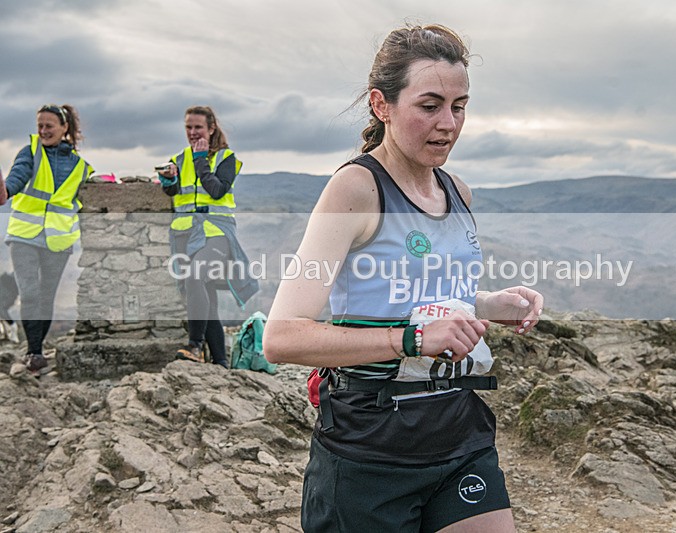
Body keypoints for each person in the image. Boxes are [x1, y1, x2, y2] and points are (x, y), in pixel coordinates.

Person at [264, 24, 544, 532]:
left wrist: (489, 304)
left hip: (458, 431)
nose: (448, 124)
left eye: (459, 106)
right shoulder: (355, 189)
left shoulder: (458, 191)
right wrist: (412, 340)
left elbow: (423, 296)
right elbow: (282, 336)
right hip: (370, 444)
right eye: (430, 105)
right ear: (382, 104)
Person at [158, 106, 258, 368]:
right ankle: (222, 362)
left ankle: (194, 345)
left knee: (195, 278)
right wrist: (168, 180)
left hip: (215, 233)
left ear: (211, 128)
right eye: (188, 127)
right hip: (184, 234)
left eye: (198, 127)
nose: (192, 132)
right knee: (205, 292)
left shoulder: (226, 158)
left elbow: (216, 191)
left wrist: (201, 159)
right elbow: (174, 195)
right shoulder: (178, 160)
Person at [3, 104, 92, 375]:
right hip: (24, 236)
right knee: (29, 292)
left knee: (46, 297)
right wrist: (5, 189)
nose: (42, 131)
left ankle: (36, 349)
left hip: (58, 241)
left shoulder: (80, 166)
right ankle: (34, 353)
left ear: (64, 128)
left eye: (49, 126)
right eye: (39, 125)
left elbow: (85, 197)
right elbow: (16, 179)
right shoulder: (30, 152)